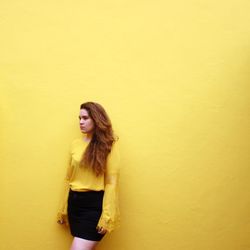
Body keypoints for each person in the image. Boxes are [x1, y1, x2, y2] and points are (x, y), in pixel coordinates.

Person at [57, 102, 120, 250]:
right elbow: (69, 178)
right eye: (79, 118)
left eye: (85, 118)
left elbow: (112, 182)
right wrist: (63, 208)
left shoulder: (108, 145)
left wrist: (107, 217)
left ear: (96, 119)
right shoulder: (75, 144)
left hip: (94, 208)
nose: (80, 122)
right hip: (74, 204)